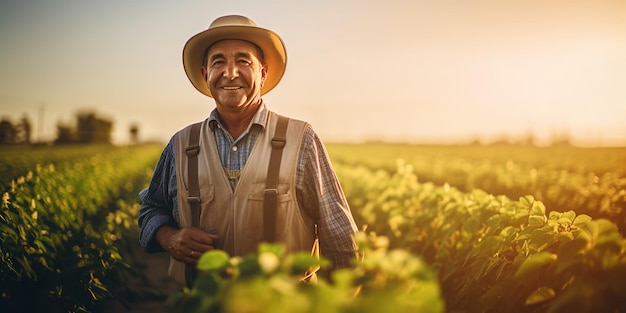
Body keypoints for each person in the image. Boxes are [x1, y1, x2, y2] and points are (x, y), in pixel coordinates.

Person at [138, 15, 359, 286]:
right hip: (204, 304)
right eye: (218, 62)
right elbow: (151, 208)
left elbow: (339, 237)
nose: (230, 73)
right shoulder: (180, 145)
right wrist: (168, 237)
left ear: (262, 73)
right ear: (206, 73)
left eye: (243, 61)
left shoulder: (301, 139)